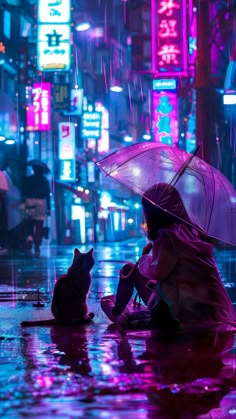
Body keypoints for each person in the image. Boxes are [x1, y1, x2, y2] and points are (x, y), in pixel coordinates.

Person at [101, 183, 236, 331]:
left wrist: (144, 258)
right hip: (206, 308)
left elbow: (159, 272)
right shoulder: (188, 231)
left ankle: (119, 313)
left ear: (153, 212)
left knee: (128, 270)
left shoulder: (168, 236)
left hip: (183, 311)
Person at [22, 164, 51, 257]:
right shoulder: (45, 181)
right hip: (40, 202)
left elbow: (23, 192)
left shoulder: (28, 179)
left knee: (29, 222)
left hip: (29, 201)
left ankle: (29, 237)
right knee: (39, 224)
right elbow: (47, 195)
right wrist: (49, 208)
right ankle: (37, 246)